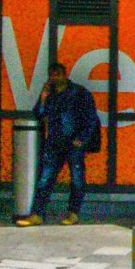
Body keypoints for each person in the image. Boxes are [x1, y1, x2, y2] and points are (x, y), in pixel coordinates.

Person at [18, 61, 103, 226]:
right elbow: (39, 114)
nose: (54, 78)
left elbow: (90, 117)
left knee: (76, 179)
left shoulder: (79, 93)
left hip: (73, 144)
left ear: (65, 75)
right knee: (45, 179)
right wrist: (42, 98)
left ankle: (73, 212)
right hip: (55, 143)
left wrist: (82, 139)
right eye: (52, 75)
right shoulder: (50, 95)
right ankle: (37, 214)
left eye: (57, 74)